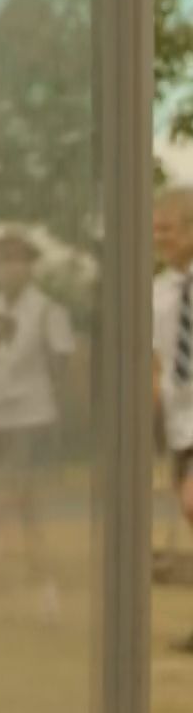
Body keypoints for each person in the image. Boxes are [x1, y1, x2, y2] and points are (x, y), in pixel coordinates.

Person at [0, 223, 76, 629]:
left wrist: (62, 421)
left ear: (29, 266)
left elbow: (63, 369)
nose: (8, 268)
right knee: (29, 517)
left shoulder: (48, 311)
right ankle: (49, 600)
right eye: (1, 260)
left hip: (33, 421)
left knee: (1, 508)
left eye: (17, 260)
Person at [153, 185, 193, 648]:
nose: (160, 238)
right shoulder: (160, 291)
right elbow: (156, 361)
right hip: (180, 425)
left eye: (168, 229)